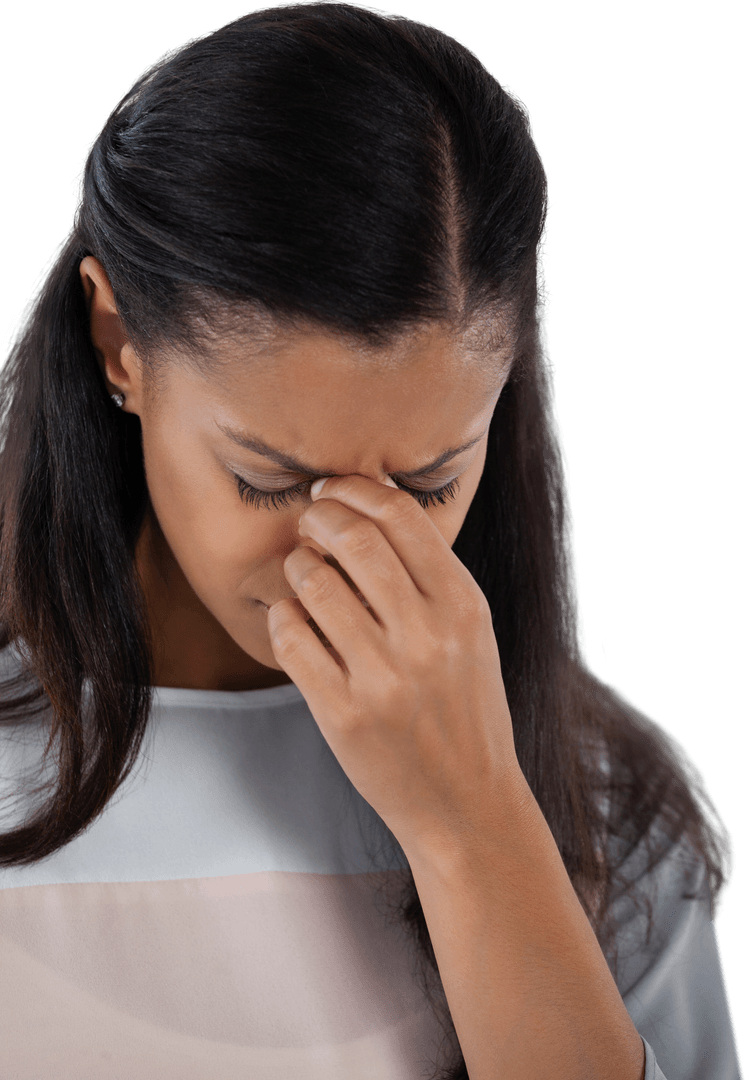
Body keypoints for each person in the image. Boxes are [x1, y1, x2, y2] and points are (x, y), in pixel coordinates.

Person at [0, 3, 742, 1078]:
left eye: (430, 483)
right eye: (270, 479)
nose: (341, 558)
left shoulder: (601, 817)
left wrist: (478, 826)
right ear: (120, 345)